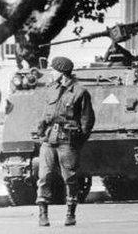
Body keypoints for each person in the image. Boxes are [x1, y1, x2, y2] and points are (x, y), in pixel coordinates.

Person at [35, 57, 95, 226]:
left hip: (67, 141)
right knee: (44, 176)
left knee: (70, 178)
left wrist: (77, 141)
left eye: (53, 70)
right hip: (48, 139)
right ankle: (43, 214)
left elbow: (87, 121)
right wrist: (41, 133)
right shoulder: (51, 89)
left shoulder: (80, 92)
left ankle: (70, 213)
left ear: (61, 73)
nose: (50, 73)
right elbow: (44, 115)